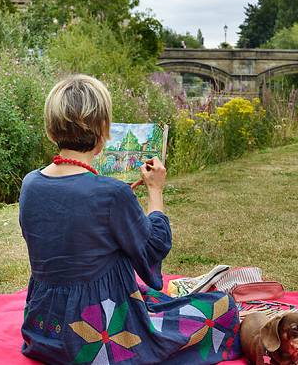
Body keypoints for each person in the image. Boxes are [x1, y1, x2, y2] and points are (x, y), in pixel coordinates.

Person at [19, 74, 241, 364]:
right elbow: (152, 248)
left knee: (152, 299)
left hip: (42, 329)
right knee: (223, 307)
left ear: (51, 130)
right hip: (95, 333)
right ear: (102, 131)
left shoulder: (30, 183)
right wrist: (155, 190)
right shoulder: (110, 194)